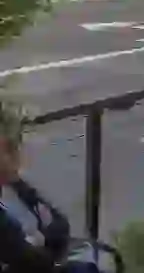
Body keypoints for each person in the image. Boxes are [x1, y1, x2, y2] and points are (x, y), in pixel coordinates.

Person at [0, 96, 102, 272]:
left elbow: (59, 225)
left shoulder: (17, 189)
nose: (17, 153)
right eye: (9, 148)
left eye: (13, 146)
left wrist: (39, 240)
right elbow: (29, 259)